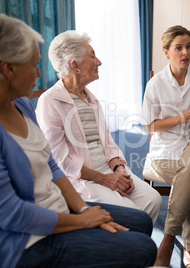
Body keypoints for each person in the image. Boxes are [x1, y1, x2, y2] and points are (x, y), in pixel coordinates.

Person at [0, 14, 156, 268]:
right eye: (34, 65)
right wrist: (83, 220)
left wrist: (84, 209)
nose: (40, 73)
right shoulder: (47, 102)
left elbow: (51, 164)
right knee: (143, 247)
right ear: (8, 68)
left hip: (59, 205)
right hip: (27, 239)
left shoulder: (22, 105)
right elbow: (13, 213)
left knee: (144, 221)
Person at [35, 30, 162, 225]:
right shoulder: (49, 101)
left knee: (153, 200)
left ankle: (132, 249)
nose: (99, 62)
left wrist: (119, 168)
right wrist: (104, 179)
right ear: (74, 64)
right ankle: (127, 249)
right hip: (80, 176)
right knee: (132, 213)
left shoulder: (91, 98)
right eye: (92, 56)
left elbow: (108, 141)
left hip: (107, 168)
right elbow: (59, 159)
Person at [141, 25, 190, 267]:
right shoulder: (156, 83)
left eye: (188, 46)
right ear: (166, 52)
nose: (186, 52)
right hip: (165, 148)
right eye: (179, 48)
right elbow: (150, 126)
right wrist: (182, 117)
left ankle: (169, 238)